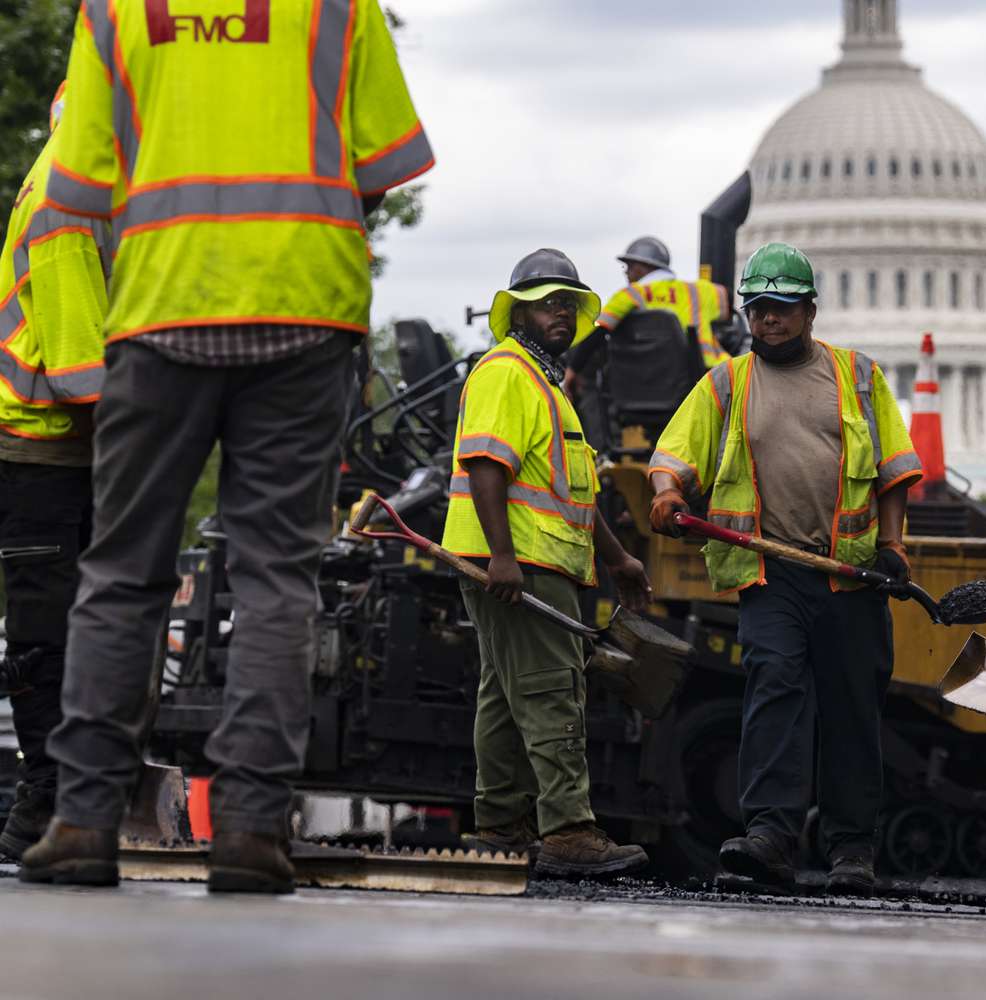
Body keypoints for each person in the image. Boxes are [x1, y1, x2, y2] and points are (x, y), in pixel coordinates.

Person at [22, 0, 434, 893]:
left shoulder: (115, 8)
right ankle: (249, 829)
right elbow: (383, 171)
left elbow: (79, 184)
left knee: (123, 572)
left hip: (160, 311)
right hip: (306, 310)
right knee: (275, 577)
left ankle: (83, 821)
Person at [647, 242, 923, 896]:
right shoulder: (727, 383)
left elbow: (893, 470)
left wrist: (893, 546)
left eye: (782, 307)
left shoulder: (857, 376)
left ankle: (851, 849)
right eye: (759, 308)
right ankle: (770, 835)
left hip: (851, 578)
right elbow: (674, 454)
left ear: (810, 312)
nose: (768, 318)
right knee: (774, 689)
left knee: (852, 709)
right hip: (772, 576)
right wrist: (666, 492)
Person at [444, 248, 654, 880]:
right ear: (518, 313)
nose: (560, 313)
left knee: (506, 696)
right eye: (546, 304)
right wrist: (503, 557)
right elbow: (486, 465)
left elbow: (573, 493)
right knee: (551, 688)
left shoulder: (546, 384)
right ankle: (567, 830)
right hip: (521, 561)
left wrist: (619, 559)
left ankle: (500, 828)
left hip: (535, 559)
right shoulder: (507, 372)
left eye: (568, 303)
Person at [0, 82, 109, 860]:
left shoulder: (65, 181)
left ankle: (58, 803)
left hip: (50, 448)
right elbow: (82, 375)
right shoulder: (71, 204)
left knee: (66, 630)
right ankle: (43, 806)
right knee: (50, 634)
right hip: (45, 448)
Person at [562, 236, 733, 398]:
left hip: (647, 387)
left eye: (627, 267)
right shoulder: (700, 290)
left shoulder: (630, 294)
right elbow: (731, 302)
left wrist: (572, 370)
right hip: (708, 380)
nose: (626, 274)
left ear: (639, 267)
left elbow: (597, 332)